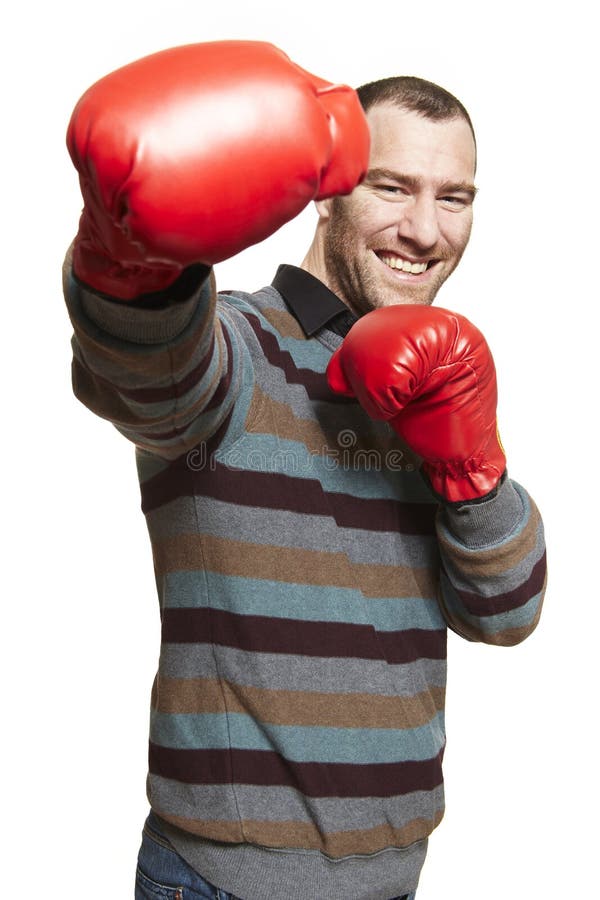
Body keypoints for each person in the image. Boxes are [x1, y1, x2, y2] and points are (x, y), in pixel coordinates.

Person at [63, 40, 546, 900]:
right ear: (328, 193)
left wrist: (471, 464)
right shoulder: (240, 347)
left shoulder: (433, 378)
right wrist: (132, 267)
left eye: (455, 197)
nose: (425, 231)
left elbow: (508, 611)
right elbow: (148, 376)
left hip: (395, 881)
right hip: (218, 883)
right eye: (394, 187)